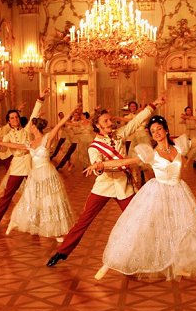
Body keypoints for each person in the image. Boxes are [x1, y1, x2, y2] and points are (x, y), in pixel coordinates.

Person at [83, 115, 196, 281]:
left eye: (159, 129)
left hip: (179, 192)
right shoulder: (150, 154)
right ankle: (111, 262)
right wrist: (100, 164)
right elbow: (126, 161)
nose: (157, 133)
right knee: (140, 227)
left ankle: (181, 263)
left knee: (184, 227)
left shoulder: (180, 147)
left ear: (166, 130)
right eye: (153, 131)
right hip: (157, 193)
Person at [46, 95, 167, 267]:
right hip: (103, 187)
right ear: (98, 126)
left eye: (110, 119)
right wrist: (99, 167)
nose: (110, 122)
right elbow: (97, 164)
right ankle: (61, 252)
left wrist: (154, 104)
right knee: (84, 221)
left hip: (123, 186)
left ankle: (154, 251)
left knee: (139, 217)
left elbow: (137, 120)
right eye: (106, 121)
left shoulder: (119, 135)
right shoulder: (94, 147)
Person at [0, 105, 81, 239]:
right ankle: (14, 221)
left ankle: (56, 231)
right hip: (35, 174)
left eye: (31, 125)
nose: (29, 127)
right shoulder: (31, 142)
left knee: (51, 201)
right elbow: (18, 146)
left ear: (35, 127)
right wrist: (2, 143)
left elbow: (59, 124)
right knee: (29, 200)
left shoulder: (47, 138)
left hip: (48, 173)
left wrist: (72, 111)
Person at [0, 89, 49, 230]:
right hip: (17, 166)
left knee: (36, 193)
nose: (15, 119)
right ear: (9, 121)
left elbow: (34, 113)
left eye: (16, 117)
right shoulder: (8, 136)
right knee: (8, 194)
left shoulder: (26, 130)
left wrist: (40, 98)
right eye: (12, 118)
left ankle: (38, 220)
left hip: (31, 164)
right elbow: (2, 148)